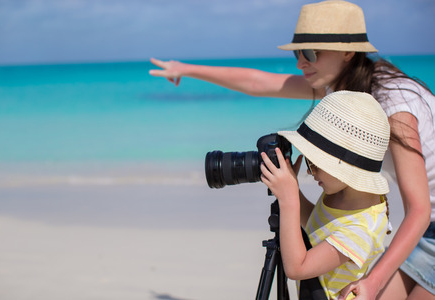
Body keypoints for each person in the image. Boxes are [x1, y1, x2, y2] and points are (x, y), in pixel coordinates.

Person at [149, 1, 435, 299]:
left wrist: (375, 281)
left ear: (348, 52)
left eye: (310, 53)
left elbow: (418, 209)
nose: (300, 63)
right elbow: (259, 82)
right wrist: (187, 69)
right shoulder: (342, 89)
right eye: (298, 53)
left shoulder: (394, 104)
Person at [260, 90, 392, 300]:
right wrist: (292, 188)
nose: (309, 171)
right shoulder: (345, 195)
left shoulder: (359, 232)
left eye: (315, 164)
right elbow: (318, 224)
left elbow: (297, 267)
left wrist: (289, 200)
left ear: (345, 167)